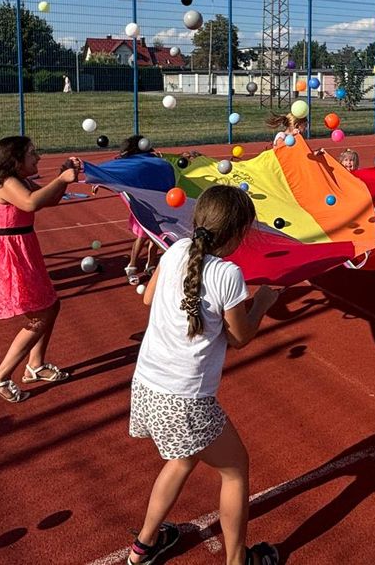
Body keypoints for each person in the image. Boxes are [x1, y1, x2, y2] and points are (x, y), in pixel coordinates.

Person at [126, 185, 281, 565]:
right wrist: (261, 302)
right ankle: (237, 561)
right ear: (237, 234)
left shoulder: (177, 249)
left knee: (183, 460)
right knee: (235, 469)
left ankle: (144, 546)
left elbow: (149, 299)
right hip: (184, 401)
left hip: (147, 385)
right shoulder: (227, 274)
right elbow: (240, 338)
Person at [0, 137, 81, 403]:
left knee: (51, 305)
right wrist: (61, 180)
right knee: (39, 316)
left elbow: (49, 200)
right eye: (32, 154)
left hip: (22, 248)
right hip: (8, 255)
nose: (37, 158)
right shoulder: (8, 183)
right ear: (15, 161)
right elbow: (31, 203)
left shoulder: (20, 180)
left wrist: (63, 176)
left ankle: (35, 365)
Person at [116, 135, 162, 283]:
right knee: (142, 236)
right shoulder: (129, 163)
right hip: (141, 204)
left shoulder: (152, 160)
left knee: (157, 235)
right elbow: (113, 171)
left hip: (156, 202)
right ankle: (132, 265)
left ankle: (151, 263)